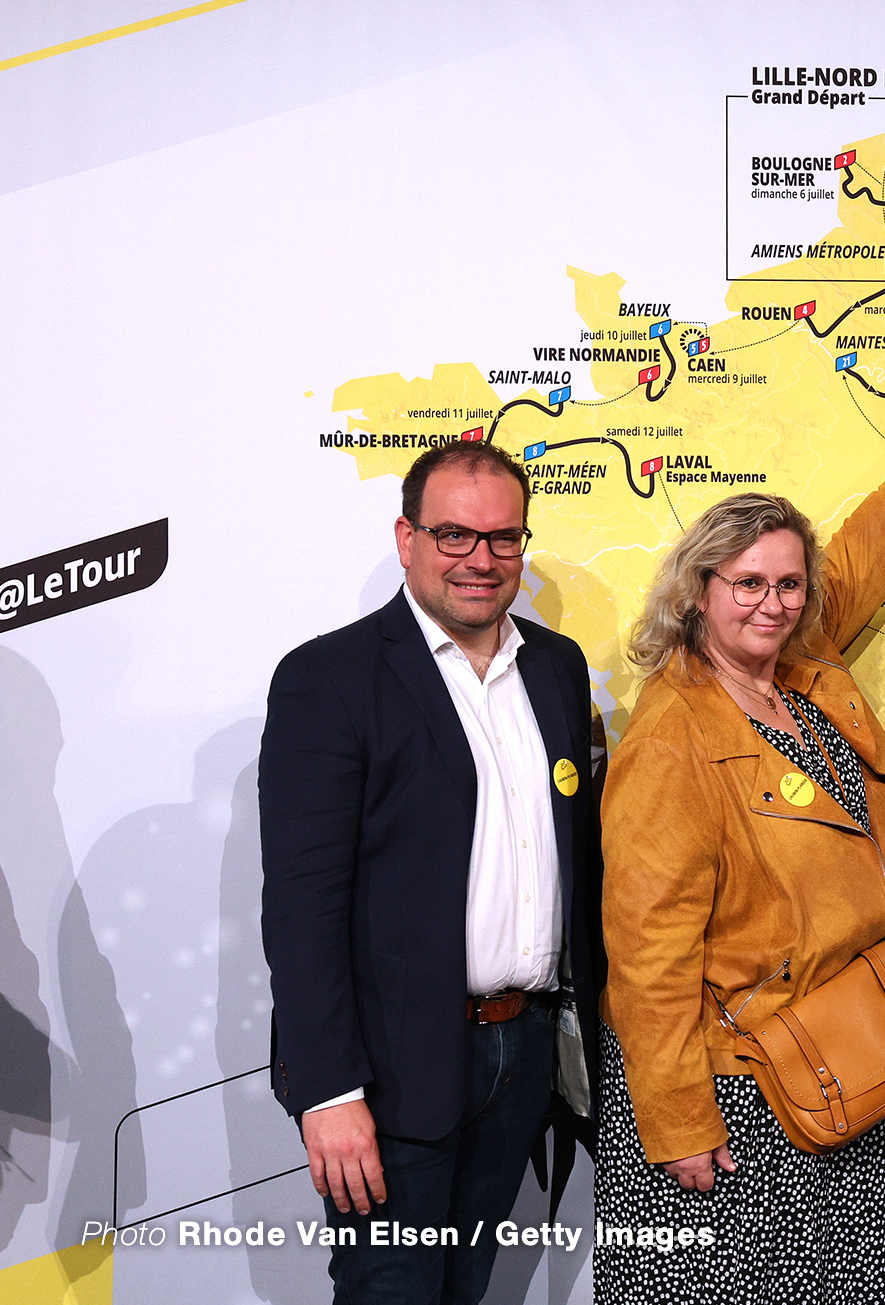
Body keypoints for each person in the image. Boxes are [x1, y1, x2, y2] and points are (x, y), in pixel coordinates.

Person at [595, 337, 885, 1304]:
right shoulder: (671, 736)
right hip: (741, 1093)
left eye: (787, 583)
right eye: (747, 584)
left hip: (844, 1060)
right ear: (697, 594)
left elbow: (857, 560)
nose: (773, 604)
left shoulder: (804, 674)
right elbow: (647, 954)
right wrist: (680, 1120)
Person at [259, 440, 606, 1303]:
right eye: (454, 535)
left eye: (502, 538)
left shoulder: (556, 669)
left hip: (524, 1054)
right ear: (406, 538)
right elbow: (302, 909)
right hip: (390, 1068)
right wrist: (328, 1093)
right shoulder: (328, 678)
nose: (481, 560)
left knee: (466, 1290)